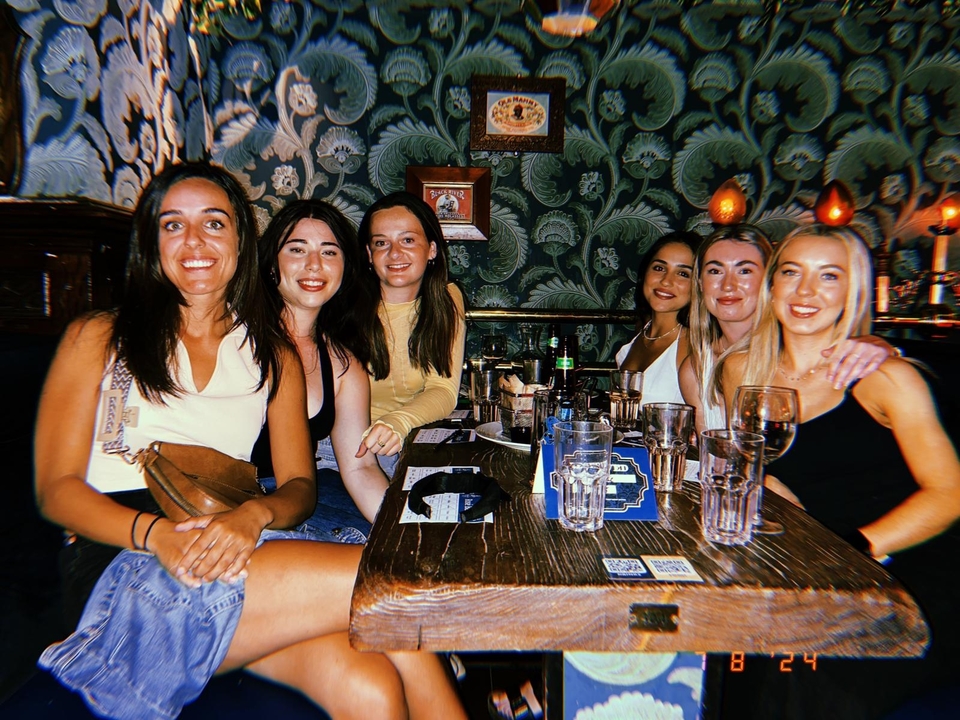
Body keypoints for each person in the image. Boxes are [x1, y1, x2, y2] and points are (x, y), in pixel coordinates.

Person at [34, 162, 466, 719]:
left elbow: (299, 488)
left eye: (214, 224)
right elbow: (55, 491)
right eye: (172, 225)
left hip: (236, 548)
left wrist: (253, 515)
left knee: (370, 686)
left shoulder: (271, 353)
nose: (194, 241)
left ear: (240, 241)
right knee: (392, 584)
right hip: (127, 566)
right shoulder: (99, 337)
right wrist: (157, 535)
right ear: (150, 241)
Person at [714, 225, 960, 718]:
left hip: (904, 567)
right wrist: (764, 484)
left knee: (805, 670)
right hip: (804, 565)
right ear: (773, 286)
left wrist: (850, 550)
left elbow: (949, 494)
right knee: (717, 644)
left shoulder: (886, 378)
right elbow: (752, 462)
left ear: (852, 292)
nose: (805, 292)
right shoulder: (740, 370)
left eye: (829, 276)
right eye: (791, 273)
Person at [251, 199, 387, 543]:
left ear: (344, 269)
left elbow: (361, 468)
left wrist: (404, 530)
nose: (314, 265)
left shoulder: (343, 364)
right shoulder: (240, 340)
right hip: (239, 502)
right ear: (271, 265)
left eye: (329, 253)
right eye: (297, 250)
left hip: (305, 502)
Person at [680, 224, 893, 434]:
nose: (728, 285)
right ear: (699, 282)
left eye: (745, 271)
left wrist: (884, 349)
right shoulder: (699, 367)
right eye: (715, 271)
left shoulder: (810, 349)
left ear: (769, 281)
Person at [355, 192, 466, 476]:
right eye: (381, 243)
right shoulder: (345, 307)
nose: (394, 253)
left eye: (407, 240)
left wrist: (398, 422)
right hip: (350, 449)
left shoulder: (446, 299)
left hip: (413, 441)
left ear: (431, 249)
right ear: (369, 254)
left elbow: (442, 390)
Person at [616, 231, 700, 405]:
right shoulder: (642, 333)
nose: (666, 281)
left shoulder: (692, 345)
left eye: (683, 273)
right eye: (659, 268)